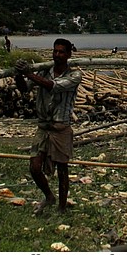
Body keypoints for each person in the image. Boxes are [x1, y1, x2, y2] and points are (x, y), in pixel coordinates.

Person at [14, 38, 82, 214]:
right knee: (34, 167)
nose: (57, 55)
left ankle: (61, 207)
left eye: (61, 52)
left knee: (62, 170)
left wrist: (29, 73)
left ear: (68, 54)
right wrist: (18, 74)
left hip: (61, 127)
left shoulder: (74, 76)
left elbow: (53, 86)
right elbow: (24, 89)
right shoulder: (44, 71)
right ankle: (49, 196)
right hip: (43, 127)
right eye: (55, 51)